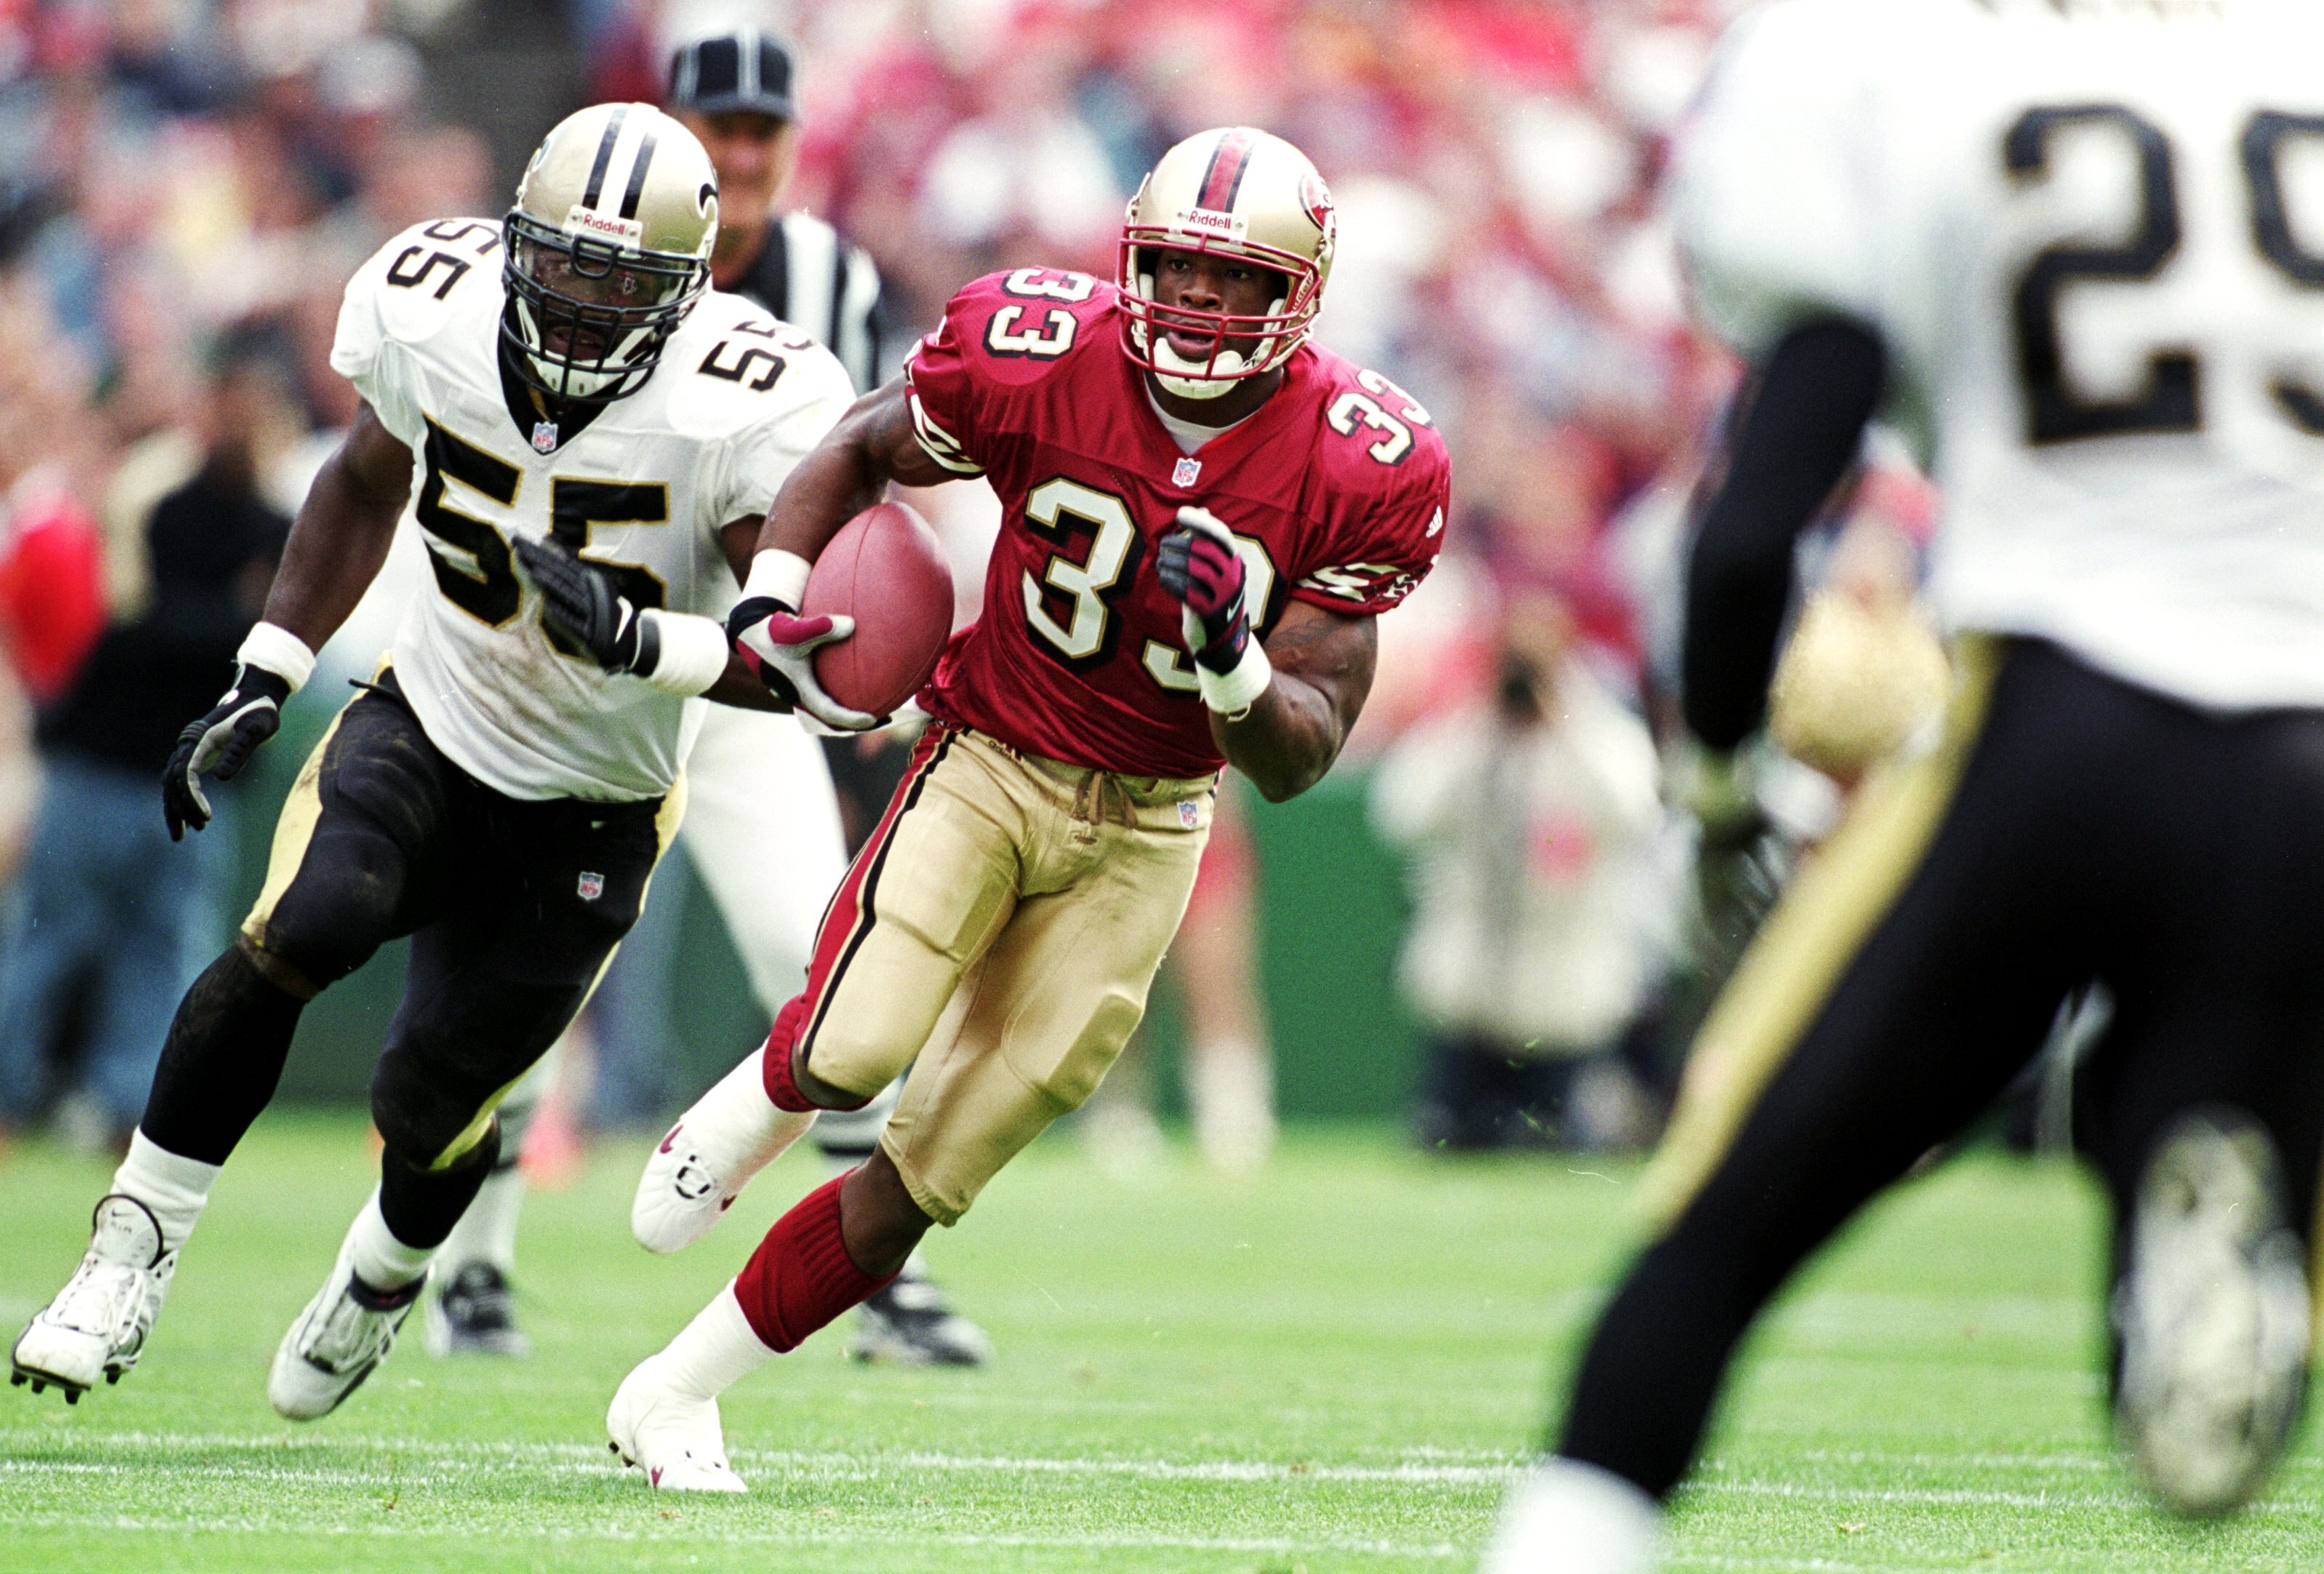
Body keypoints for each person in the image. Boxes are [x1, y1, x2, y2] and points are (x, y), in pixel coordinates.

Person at [1482, 2, 2324, 1567]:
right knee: (2223, 1051)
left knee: (1714, 1233)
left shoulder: (1890, 70)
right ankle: (2184, 1185)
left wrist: (1723, 784)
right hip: (2306, 756)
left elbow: (1743, 545)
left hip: (2058, 719)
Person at [597, 123, 1450, 1491]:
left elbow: (1302, 754)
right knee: (855, 1046)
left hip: (1158, 819)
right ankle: (760, 1100)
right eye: (1182, 269)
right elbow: (863, 441)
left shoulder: (1366, 458)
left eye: (1242, 283)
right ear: (1135, 258)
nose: (1206, 305)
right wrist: (770, 596)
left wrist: (1235, 660)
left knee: (938, 1169)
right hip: (992, 752)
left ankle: (679, 1389)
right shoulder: (1039, 348)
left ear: (1303, 294)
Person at [9, 102, 856, 1418]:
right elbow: (359, 481)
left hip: (597, 798)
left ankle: (387, 1267)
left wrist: (644, 638)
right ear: (516, 242)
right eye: (563, 268)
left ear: (690, 292)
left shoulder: (742, 396)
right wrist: (269, 669)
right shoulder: (435, 302)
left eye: (619, 288)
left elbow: (794, 656)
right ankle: (128, 1251)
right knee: (303, 922)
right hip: (433, 716)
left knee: (433, 1097)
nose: (578, 311)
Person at [422, 26, 991, 1368]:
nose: (739, 156)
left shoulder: (827, 278)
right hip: (575, 669)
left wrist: (848, 659)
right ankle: (468, 1266)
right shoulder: (561, 248)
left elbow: (853, 491)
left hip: (728, 675)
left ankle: (877, 1278)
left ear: (794, 147)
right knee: (528, 985)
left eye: (762, 134)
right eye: (715, 127)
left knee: (828, 963)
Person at [0, 330, 291, 1152]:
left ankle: (124, 1109)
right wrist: (231, 615)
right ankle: (9, 1097)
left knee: (159, 962)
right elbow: (132, 627)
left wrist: (220, 621)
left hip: (193, 784)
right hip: (100, 765)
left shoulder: (280, 523)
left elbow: (253, 637)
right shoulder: (152, 502)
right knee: (48, 944)